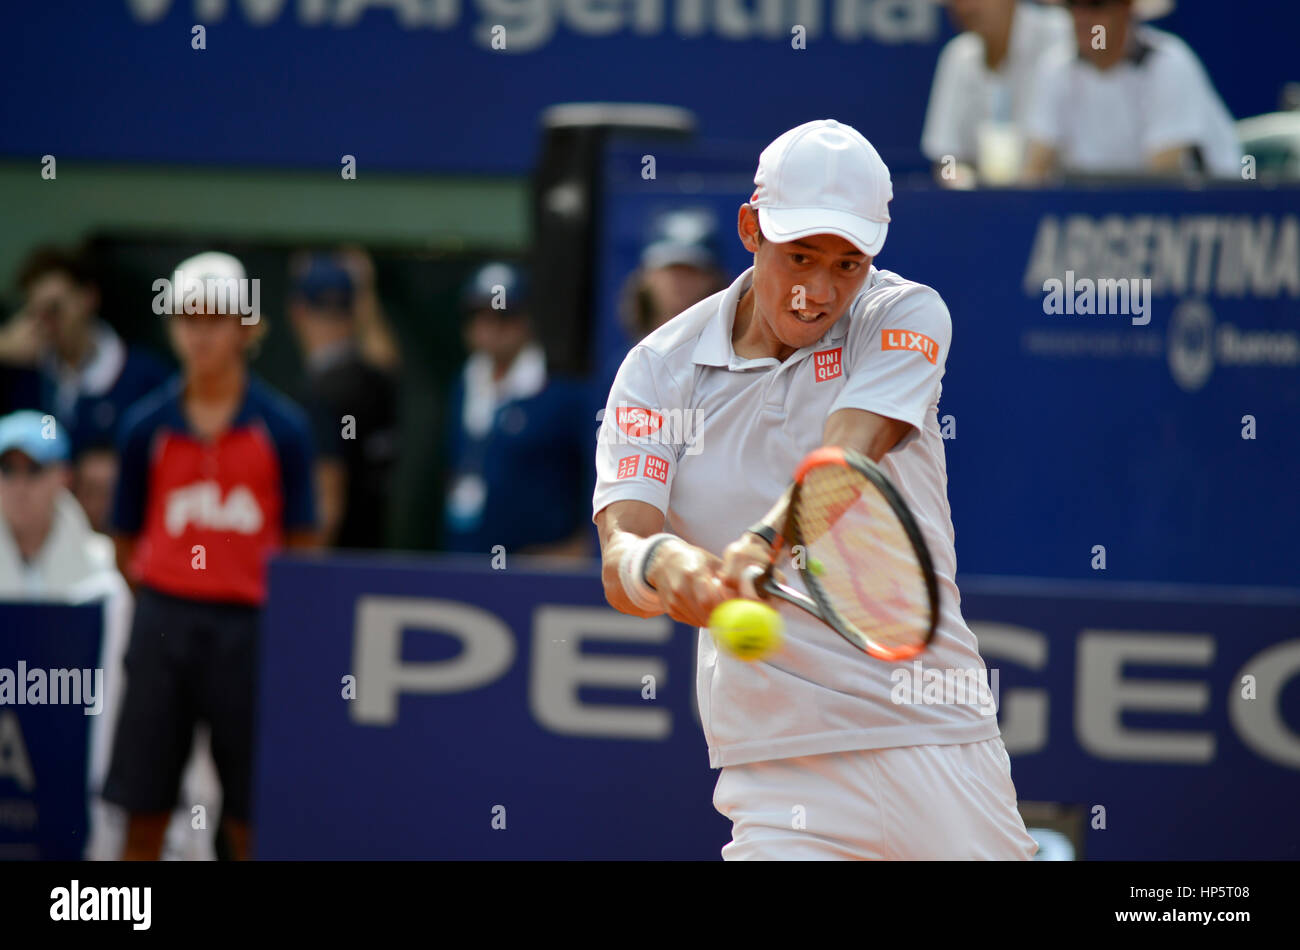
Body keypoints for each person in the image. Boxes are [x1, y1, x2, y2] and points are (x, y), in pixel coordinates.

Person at [593, 119, 1037, 860]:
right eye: (800, 257)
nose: (819, 291)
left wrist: (765, 540)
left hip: (930, 738)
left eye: (847, 264)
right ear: (749, 229)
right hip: (775, 771)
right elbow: (622, 549)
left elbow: (846, 459)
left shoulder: (903, 315)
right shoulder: (656, 371)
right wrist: (663, 564)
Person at [104, 251, 319, 860]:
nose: (200, 333)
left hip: (249, 635)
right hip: (161, 628)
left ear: (246, 329)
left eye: (215, 318)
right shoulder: (144, 428)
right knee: (142, 810)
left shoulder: (284, 430)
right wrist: (167, 594)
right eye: (187, 318)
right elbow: (124, 538)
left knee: (252, 818)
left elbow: (303, 544)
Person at [0, 409, 218, 861]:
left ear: (62, 478)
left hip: (83, 798)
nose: (19, 486)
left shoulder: (112, 584)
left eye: (33, 470)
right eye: (6, 470)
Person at [0, 247, 171, 532]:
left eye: (55, 308)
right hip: (35, 535)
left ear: (88, 298)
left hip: (125, 532)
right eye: (36, 313)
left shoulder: (146, 376)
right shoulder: (22, 374)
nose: (47, 324)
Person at [442, 261, 593, 557]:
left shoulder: (564, 395)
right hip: (464, 558)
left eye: (503, 315)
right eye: (479, 315)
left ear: (526, 320)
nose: (490, 327)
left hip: (535, 571)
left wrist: (579, 548)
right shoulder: (463, 384)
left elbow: (596, 475)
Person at [1021, 0, 1241, 182]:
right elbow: (1034, 171)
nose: (1082, 17)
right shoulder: (1055, 69)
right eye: (1073, 5)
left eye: (1095, 5)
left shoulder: (1169, 64)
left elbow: (1162, 180)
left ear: (1126, 10)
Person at [288, 252, 398, 549]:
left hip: (334, 564)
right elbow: (385, 358)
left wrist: (302, 575)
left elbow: (328, 503)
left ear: (297, 311)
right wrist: (366, 291)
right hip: (373, 553)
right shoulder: (377, 378)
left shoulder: (320, 392)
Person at [921, 0, 1073, 186]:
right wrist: (961, 183)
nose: (965, 8)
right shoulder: (958, 55)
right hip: (985, 206)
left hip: (1062, 202)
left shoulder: (1065, 35)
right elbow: (946, 157)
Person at [620, 209, 729, 342]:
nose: (678, 281)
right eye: (669, 269)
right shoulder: (625, 361)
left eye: (691, 271)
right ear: (647, 277)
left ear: (713, 279)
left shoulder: (734, 358)